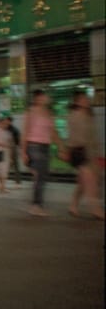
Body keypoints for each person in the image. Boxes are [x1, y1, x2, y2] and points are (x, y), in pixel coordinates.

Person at [19, 89, 63, 217]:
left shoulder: (49, 113)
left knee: (42, 176)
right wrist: (23, 152)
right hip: (34, 146)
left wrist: (61, 146)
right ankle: (36, 205)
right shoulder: (31, 112)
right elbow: (25, 132)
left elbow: (53, 132)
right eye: (45, 96)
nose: (48, 98)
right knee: (40, 175)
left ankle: (36, 203)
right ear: (38, 98)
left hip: (46, 146)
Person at [64, 90, 104, 219]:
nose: (86, 101)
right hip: (79, 152)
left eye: (86, 98)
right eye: (83, 99)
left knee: (84, 182)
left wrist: (97, 154)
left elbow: (94, 137)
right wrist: (67, 151)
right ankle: (96, 210)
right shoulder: (73, 115)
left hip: (91, 153)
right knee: (91, 182)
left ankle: (73, 205)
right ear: (76, 102)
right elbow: (72, 137)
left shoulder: (89, 115)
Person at [6, 115, 22, 186]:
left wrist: (20, 149)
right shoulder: (5, 129)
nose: (6, 122)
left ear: (10, 121)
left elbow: (18, 141)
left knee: (15, 165)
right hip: (6, 148)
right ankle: (3, 181)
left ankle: (17, 181)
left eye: (7, 121)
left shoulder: (14, 130)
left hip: (13, 148)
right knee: (7, 165)